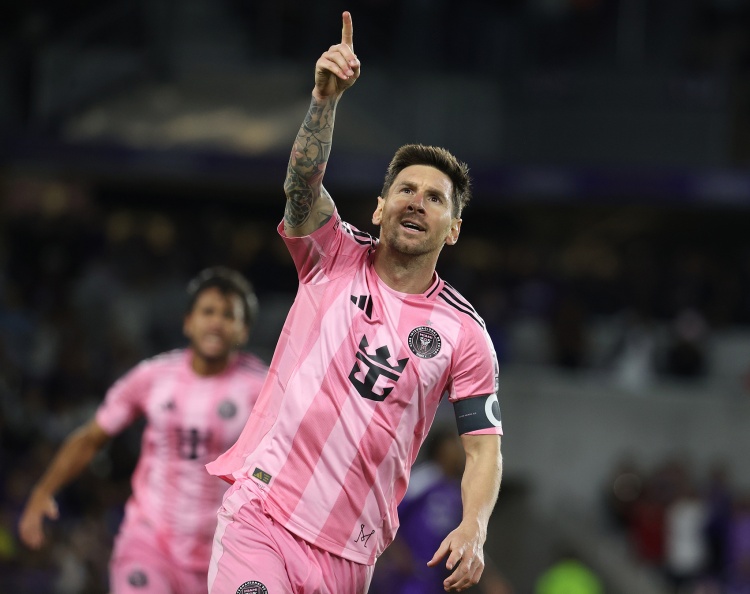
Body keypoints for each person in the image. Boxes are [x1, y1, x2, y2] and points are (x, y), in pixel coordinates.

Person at [206, 11, 503, 594]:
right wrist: (324, 101)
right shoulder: (333, 254)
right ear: (380, 207)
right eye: (405, 189)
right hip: (263, 514)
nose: (416, 201)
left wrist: (475, 525)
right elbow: (301, 189)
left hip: (350, 555)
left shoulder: (465, 335)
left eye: (435, 198)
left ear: (453, 230)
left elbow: (482, 450)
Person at [18, 266, 268, 594]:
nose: (216, 323)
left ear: (243, 331)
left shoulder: (262, 388)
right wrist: (43, 490)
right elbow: (91, 437)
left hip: (219, 553)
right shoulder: (153, 376)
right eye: (208, 312)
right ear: (188, 321)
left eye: (228, 315)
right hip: (150, 543)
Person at [371, 426, 513, 594]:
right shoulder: (424, 479)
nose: (459, 452)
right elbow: (387, 514)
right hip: (408, 573)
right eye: (454, 445)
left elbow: (467, 534)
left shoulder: (459, 488)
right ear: (440, 450)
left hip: (436, 576)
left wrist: (490, 577)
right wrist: (396, 553)